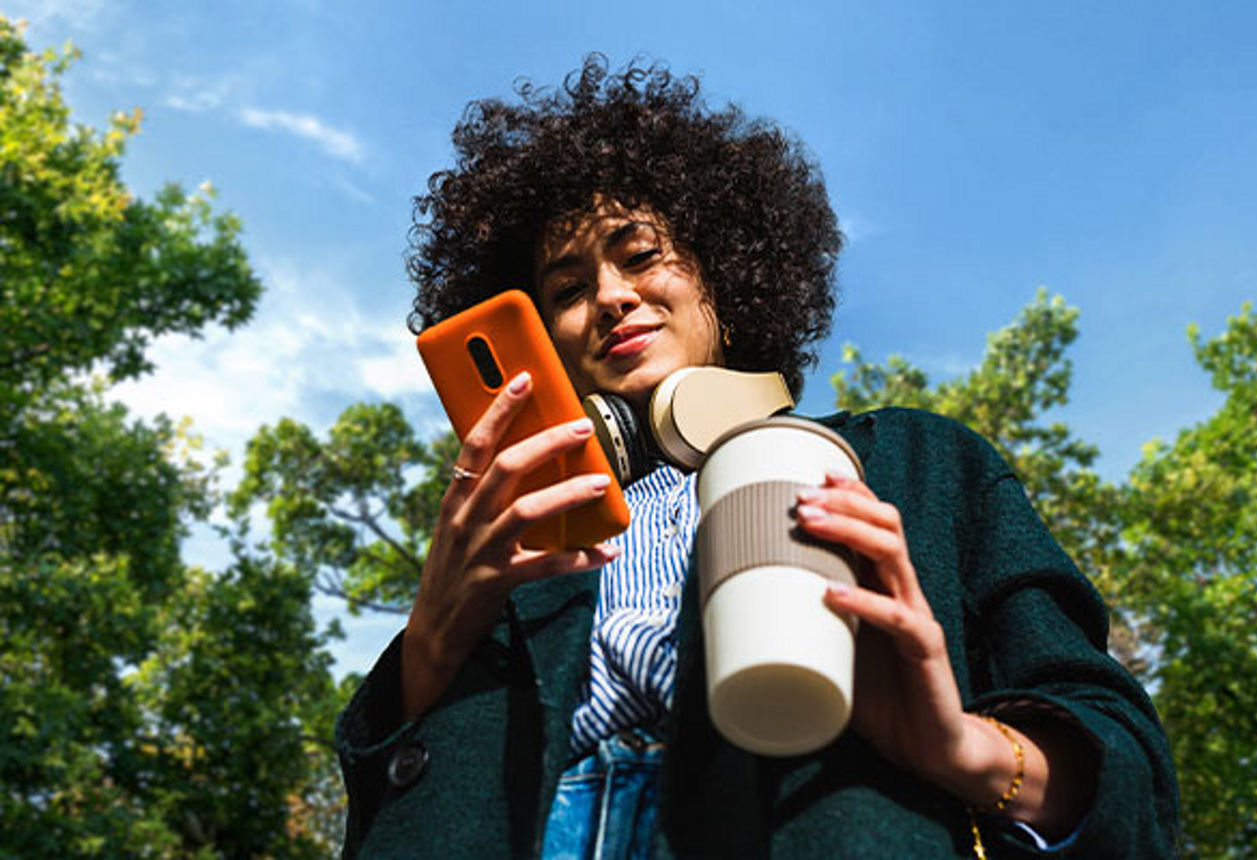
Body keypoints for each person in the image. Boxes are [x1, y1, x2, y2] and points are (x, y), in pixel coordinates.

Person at [336, 56, 1179, 859]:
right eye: (566, 291)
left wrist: (964, 749)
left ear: (725, 278)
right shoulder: (511, 531)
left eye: (641, 256)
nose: (610, 297)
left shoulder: (918, 462)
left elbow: (1128, 778)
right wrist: (426, 653)